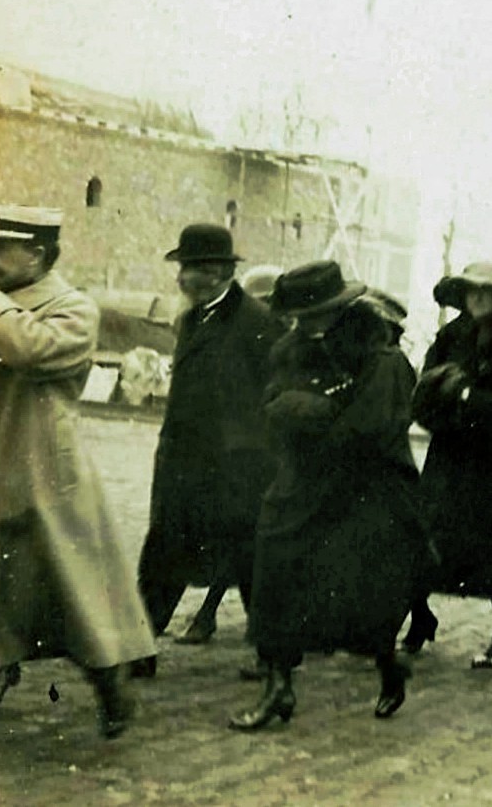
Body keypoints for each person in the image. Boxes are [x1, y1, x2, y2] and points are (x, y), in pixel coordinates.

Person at [0, 204, 155, 754]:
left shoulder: (71, 309)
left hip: (40, 481)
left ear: (37, 254)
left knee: (74, 602)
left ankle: (113, 686)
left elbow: (25, 347)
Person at [230, 261, 429, 729]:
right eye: (301, 315)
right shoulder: (288, 351)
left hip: (366, 488)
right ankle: (278, 686)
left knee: (358, 591)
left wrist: (311, 416)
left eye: (318, 312)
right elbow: (271, 408)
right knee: (276, 571)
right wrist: (301, 412)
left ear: (341, 307)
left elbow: (373, 428)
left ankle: (388, 665)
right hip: (300, 481)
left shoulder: (381, 358)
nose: (308, 323)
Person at [135, 224, 282, 662]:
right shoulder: (193, 317)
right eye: (181, 269)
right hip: (185, 463)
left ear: (216, 271)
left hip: (236, 470)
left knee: (252, 561)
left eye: (188, 270)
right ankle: (139, 649)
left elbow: (272, 391)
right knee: (163, 553)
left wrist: (251, 450)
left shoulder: (257, 322)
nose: (180, 279)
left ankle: (274, 659)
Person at [407, 263, 492, 669]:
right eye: (470, 291)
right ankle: (419, 620)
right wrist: (438, 401)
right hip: (450, 454)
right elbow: (425, 393)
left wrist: (466, 395)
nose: (477, 298)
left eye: (486, 292)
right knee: (426, 536)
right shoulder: (449, 338)